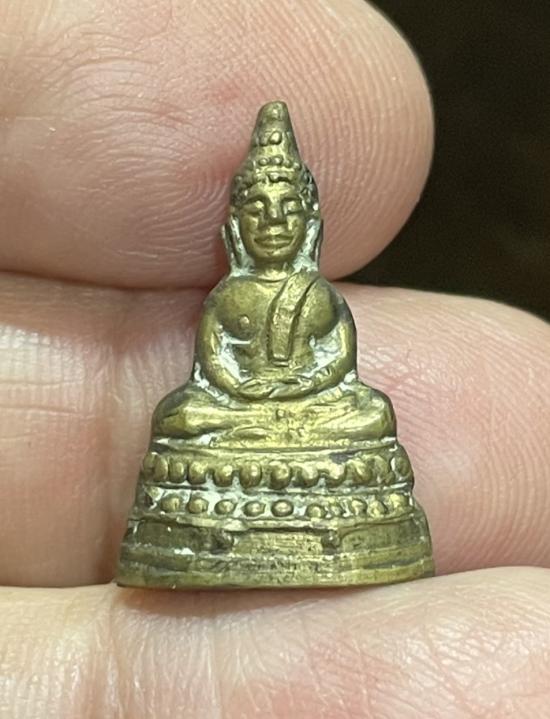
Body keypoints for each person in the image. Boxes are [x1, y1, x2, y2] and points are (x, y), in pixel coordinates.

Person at [0, 0, 549, 716]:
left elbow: (336, 363)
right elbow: (215, 367)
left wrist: (300, 384)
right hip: (241, 410)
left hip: (307, 409)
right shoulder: (229, 296)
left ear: (309, 221)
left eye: (287, 209)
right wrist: (250, 387)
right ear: (235, 223)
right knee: (184, 414)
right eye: (258, 210)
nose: (273, 222)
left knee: (366, 411)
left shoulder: (317, 293)